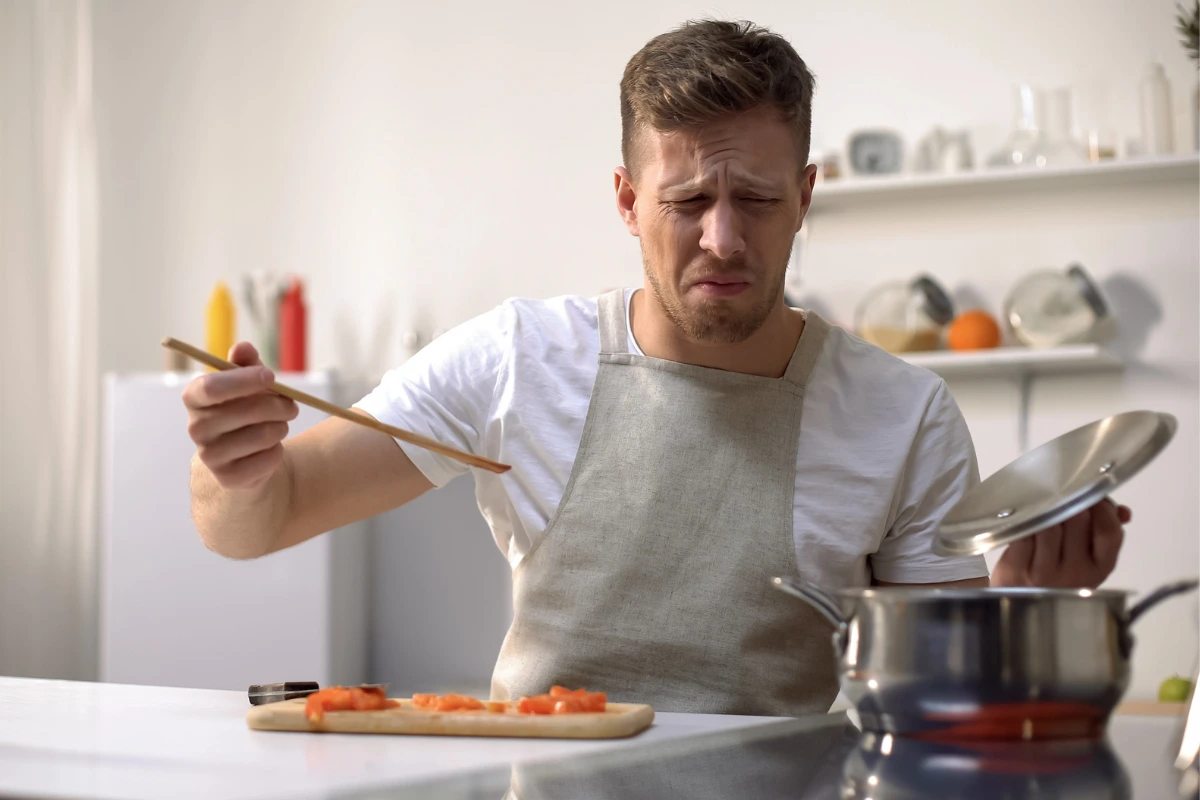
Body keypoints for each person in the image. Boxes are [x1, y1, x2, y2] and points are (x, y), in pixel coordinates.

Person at [182, 20, 1129, 717]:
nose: (723, 238)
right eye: (688, 201)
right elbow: (257, 524)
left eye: (757, 198)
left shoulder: (902, 412)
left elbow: (944, 710)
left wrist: (1034, 599)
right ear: (630, 202)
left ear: (805, 199)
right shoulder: (520, 358)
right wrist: (234, 469)